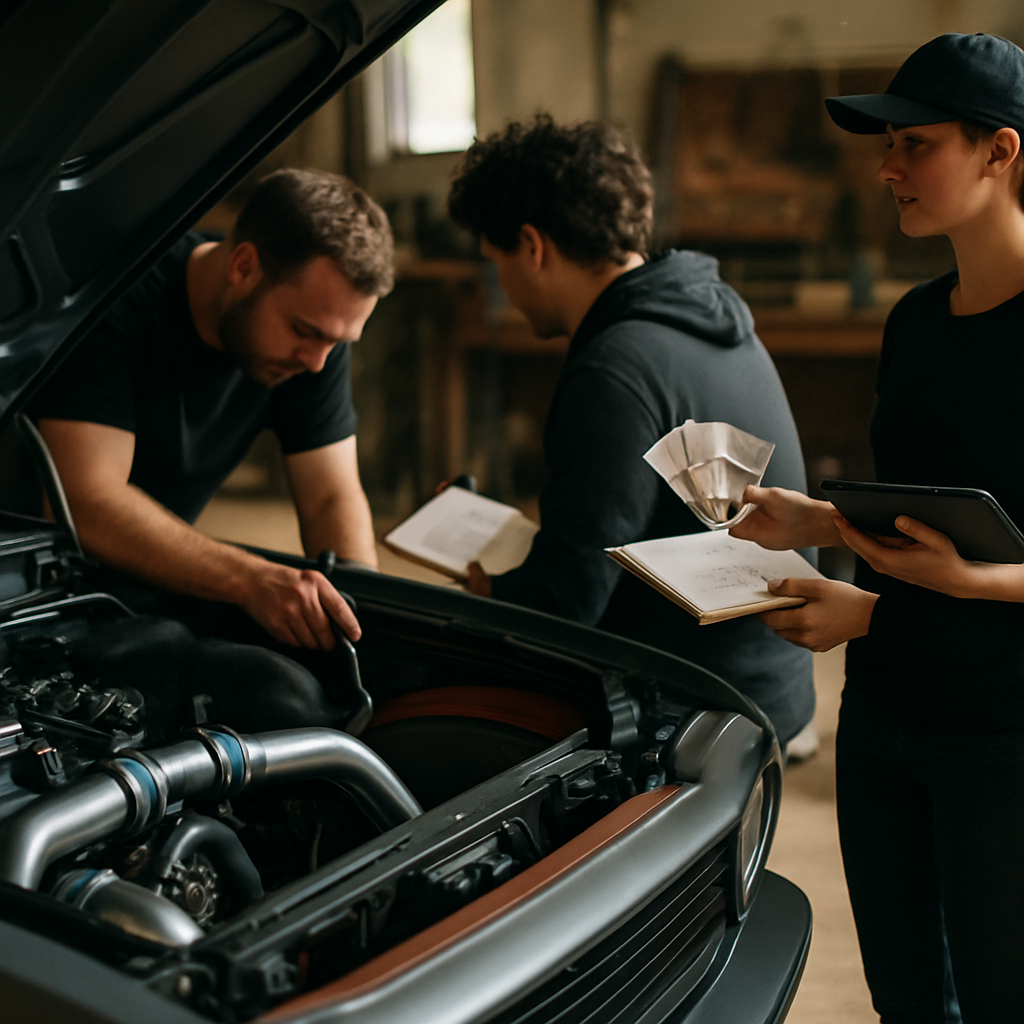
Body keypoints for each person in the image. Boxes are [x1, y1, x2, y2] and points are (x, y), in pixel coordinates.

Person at [730, 32, 1024, 1022]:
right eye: (884, 144)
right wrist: (811, 517)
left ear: (1000, 151)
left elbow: (970, 558)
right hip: (885, 716)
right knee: (905, 998)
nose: (886, 165)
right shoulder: (914, 320)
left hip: (1001, 730)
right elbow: (928, 504)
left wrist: (974, 586)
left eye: (915, 142)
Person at [446, 115, 815, 746]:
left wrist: (492, 593)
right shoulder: (712, 319)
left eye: (496, 261)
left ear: (533, 247)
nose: (501, 287)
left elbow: (568, 602)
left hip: (692, 712)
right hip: (768, 687)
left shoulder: (613, 368)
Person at [30, 168, 393, 651]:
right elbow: (85, 501)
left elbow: (331, 495)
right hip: (39, 579)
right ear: (243, 267)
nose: (318, 361)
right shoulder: (119, 298)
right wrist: (250, 579)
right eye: (306, 332)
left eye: (338, 341)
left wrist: (358, 622)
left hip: (154, 572)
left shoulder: (317, 333)